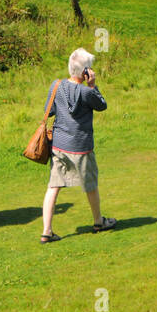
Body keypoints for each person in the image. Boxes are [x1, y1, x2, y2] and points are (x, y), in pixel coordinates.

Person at [41, 48, 115, 243]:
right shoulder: (86, 92)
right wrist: (93, 86)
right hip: (81, 145)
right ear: (85, 72)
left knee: (53, 186)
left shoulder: (55, 85)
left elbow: (49, 112)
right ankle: (98, 221)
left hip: (59, 144)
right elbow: (102, 105)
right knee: (90, 184)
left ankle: (46, 231)